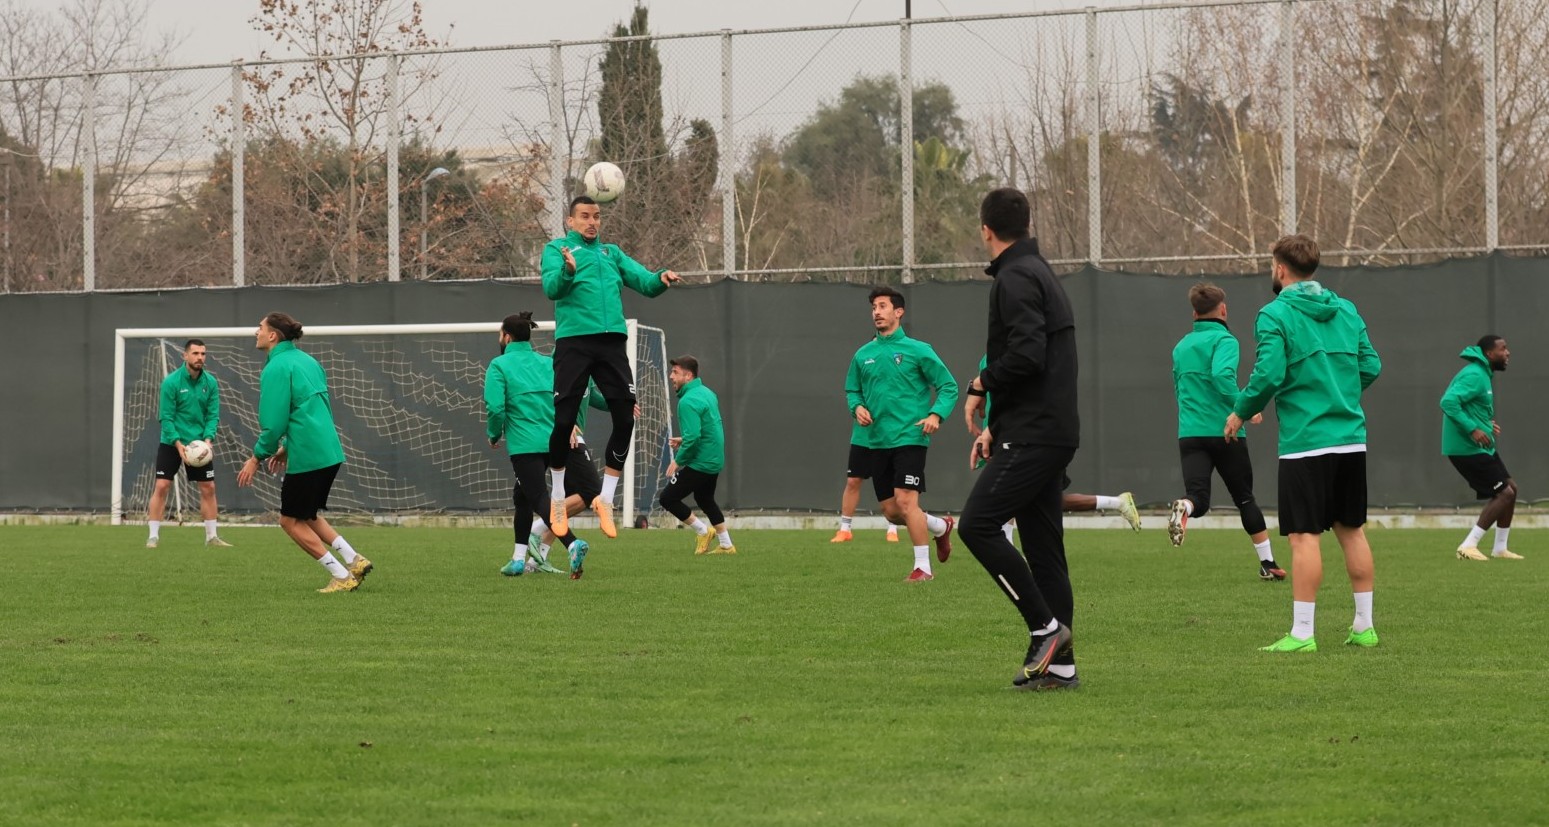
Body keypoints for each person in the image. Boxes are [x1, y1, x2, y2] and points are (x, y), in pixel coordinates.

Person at [1226, 234, 1382, 653]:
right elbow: (1371, 364)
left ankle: (1302, 634)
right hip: (1351, 440)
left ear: (1280, 268)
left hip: (1305, 444)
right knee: (1352, 532)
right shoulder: (1345, 309)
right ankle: (1364, 627)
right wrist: (1341, 393)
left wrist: (1240, 410)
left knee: (1303, 537)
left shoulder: (1274, 314)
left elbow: (1269, 374)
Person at [957, 187, 1081, 691]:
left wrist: (981, 384)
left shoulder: (1014, 277)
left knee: (976, 524)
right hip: (1044, 429)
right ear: (1027, 225)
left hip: (1035, 434)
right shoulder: (1039, 272)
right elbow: (1038, 361)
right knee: (1043, 547)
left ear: (985, 228)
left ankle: (1044, 629)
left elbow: (1027, 356)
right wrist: (995, 426)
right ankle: (1061, 669)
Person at [541, 195, 682, 540]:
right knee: (563, 421)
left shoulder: (612, 253)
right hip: (574, 341)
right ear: (570, 221)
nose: (592, 222)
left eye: (597, 216)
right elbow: (551, 288)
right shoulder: (557, 249)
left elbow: (645, 282)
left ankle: (605, 497)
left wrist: (661, 278)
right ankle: (558, 497)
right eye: (585, 216)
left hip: (611, 343)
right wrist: (568, 271)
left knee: (624, 416)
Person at [236, 313, 371, 594]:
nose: (256, 332)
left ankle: (341, 576)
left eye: (260, 328)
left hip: (309, 455)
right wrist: (287, 447)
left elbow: (273, 424)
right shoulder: (308, 361)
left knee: (288, 521)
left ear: (273, 335)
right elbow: (310, 411)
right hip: (329, 450)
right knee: (306, 514)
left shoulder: (276, 368)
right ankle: (354, 560)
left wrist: (256, 458)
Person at [1168, 283, 1285, 581]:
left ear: (1194, 313)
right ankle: (1268, 563)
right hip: (1225, 432)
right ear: (1223, 309)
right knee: (1245, 498)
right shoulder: (1226, 340)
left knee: (1199, 499)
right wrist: (1243, 407)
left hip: (1190, 434)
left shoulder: (1181, 346)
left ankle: (1185, 507)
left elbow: (1178, 388)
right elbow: (1222, 376)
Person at [844, 285, 958, 582]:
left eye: (882, 306)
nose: (876, 312)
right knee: (893, 513)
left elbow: (949, 386)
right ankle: (940, 527)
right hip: (877, 441)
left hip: (911, 437)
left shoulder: (918, 350)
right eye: (873, 308)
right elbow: (852, 389)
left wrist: (936, 414)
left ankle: (923, 568)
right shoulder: (863, 354)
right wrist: (856, 407)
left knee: (907, 502)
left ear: (899, 312)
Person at [964, 353, 1140, 534]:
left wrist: (992, 430)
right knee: (1041, 500)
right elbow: (992, 398)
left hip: (1030, 440)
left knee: (1011, 497)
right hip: (1008, 438)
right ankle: (1118, 503)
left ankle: (1008, 550)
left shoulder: (1027, 354)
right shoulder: (991, 357)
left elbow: (1023, 397)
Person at [484, 312, 590, 579]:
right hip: (556, 439)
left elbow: (496, 408)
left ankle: (572, 543)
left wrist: (494, 435)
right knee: (521, 497)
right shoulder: (546, 363)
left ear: (506, 336)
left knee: (540, 498)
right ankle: (518, 559)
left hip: (525, 445)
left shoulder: (499, 365)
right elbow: (567, 396)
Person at [527, 381, 622, 574]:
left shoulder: (586, 371)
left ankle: (537, 560)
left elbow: (595, 397)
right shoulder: (560, 362)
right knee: (592, 492)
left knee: (569, 502)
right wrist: (564, 422)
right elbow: (546, 397)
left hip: (571, 437)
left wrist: (622, 403)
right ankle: (536, 529)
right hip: (565, 438)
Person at [1441, 335, 1521, 561]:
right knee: (1503, 493)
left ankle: (1500, 548)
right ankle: (1468, 545)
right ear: (1489, 354)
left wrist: (1484, 425)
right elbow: (1448, 402)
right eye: (1503, 349)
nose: (1508, 353)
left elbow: (1468, 406)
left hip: (1479, 447)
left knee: (1511, 489)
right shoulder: (1475, 374)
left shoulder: (1482, 374)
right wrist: (1473, 430)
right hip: (1466, 448)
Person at [146, 339, 232, 549]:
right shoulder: (171, 382)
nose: (200, 357)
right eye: (195, 353)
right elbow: (166, 418)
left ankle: (211, 537)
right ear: (185, 356)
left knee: (208, 487)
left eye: (203, 354)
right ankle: (153, 536)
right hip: (172, 441)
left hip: (199, 444)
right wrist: (178, 445)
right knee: (162, 485)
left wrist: (208, 440)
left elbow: (213, 415)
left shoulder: (210, 382)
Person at [660, 355, 735, 555]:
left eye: (675, 372)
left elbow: (694, 437)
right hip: (714, 459)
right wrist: (683, 440)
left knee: (667, 499)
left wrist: (678, 460)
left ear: (689, 375)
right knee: (705, 499)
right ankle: (727, 545)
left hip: (701, 462)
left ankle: (703, 531)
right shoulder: (707, 393)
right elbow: (707, 430)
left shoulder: (687, 401)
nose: (671, 376)